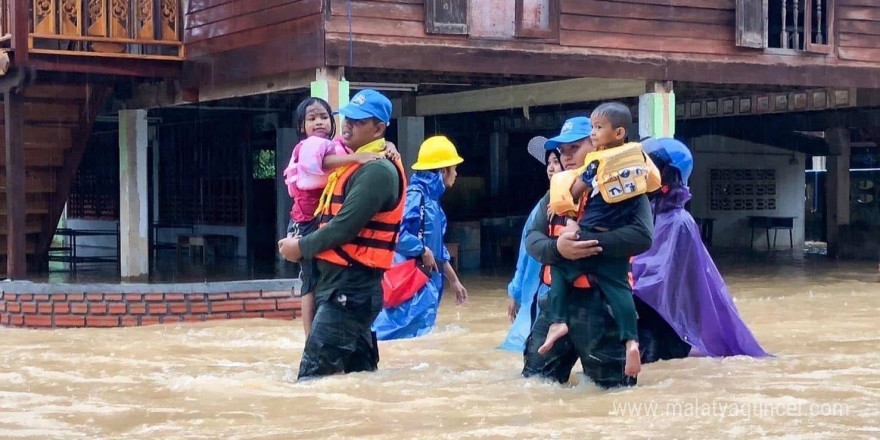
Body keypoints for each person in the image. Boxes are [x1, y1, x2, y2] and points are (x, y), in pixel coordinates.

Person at [278, 89, 407, 380]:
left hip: (350, 290)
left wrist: (300, 247)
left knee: (313, 379)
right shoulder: (351, 159)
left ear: (379, 128)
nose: (347, 124)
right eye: (347, 117)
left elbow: (344, 227)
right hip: (343, 288)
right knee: (357, 379)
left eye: (358, 121)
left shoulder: (376, 171)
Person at [522, 114, 655, 389]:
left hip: (602, 305)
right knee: (534, 385)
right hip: (556, 307)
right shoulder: (558, 191)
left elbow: (643, 236)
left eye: (575, 148)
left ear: (595, 146)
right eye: (563, 151)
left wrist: (585, 241)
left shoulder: (625, 187)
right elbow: (532, 239)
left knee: (613, 393)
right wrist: (558, 248)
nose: (567, 157)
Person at [634, 137, 769, 361]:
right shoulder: (644, 212)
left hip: (664, 327)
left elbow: (657, 277)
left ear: (668, 175)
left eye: (649, 166)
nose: (642, 172)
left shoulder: (678, 222)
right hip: (643, 320)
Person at [372, 136, 468, 340]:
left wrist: (454, 281)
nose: (456, 173)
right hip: (410, 288)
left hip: (424, 290)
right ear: (443, 171)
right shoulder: (416, 195)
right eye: (454, 168)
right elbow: (395, 234)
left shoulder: (432, 202)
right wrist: (421, 249)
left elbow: (438, 251)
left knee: (417, 341)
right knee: (394, 338)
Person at [500, 137, 563, 353]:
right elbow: (525, 254)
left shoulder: (584, 203)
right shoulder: (542, 207)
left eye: (557, 161)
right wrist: (515, 294)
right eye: (549, 163)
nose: (552, 168)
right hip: (536, 294)